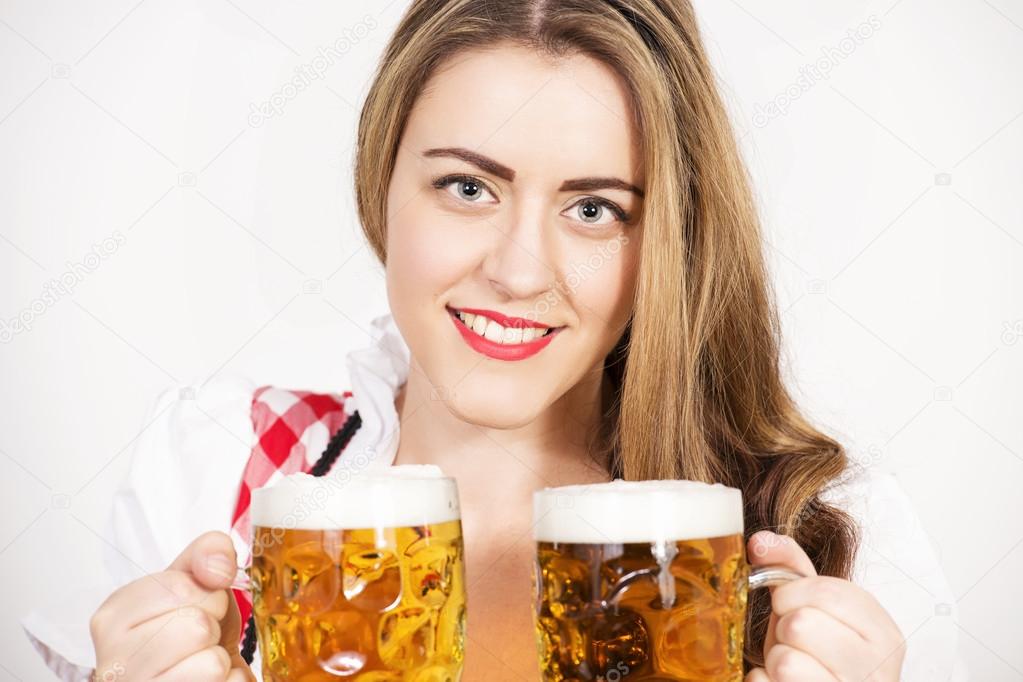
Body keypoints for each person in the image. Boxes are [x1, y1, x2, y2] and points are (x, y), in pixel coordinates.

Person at [22, 0, 967, 680]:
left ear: (668, 242)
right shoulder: (218, 473)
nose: (518, 271)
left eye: (594, 208)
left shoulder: (832, 537)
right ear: (379, 184)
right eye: (468, 188)